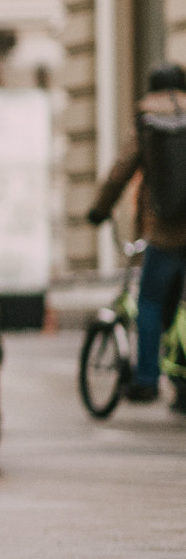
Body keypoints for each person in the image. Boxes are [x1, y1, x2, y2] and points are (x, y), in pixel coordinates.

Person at [89, 62, 186, 408]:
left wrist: (98, 210)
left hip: (163, 232)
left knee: (150, 302)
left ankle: (147, 379)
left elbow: (120, 172)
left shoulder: (148, 122)